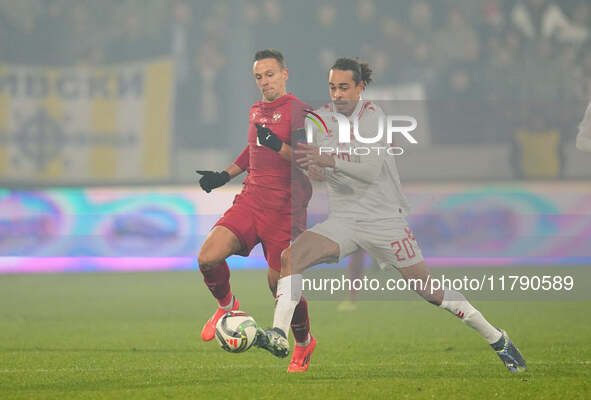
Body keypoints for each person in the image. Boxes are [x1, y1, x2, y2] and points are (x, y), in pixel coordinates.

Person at [255, 57, 526, 373]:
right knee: (291, 258)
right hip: (344, 220)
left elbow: (369, 170)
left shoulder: (374, 118)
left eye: (344, 87)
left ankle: (498, 339)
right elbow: (320, 168)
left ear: (360, 87)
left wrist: (326, 159)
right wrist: (312, 167)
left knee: (430, 292)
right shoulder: (322, 120)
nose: (338, 94)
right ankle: (279, 334)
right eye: (332, 87)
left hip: (384, 221)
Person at [196, 49, 313, 370]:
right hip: (251, 200)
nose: (264, 82)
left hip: (285, 210)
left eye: (270, 75)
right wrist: (224, 175)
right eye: (259, 77)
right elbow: (253, 148)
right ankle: (226, 306)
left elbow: (308, 160)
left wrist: (277, 144)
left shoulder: (300, 112)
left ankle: (303, 341)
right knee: (207, 256)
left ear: (285, 74)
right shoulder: (257, 110)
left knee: (280, 286)